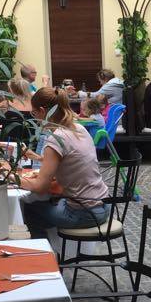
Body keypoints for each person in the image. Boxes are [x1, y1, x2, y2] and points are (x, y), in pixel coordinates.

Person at [18, 87, 110, 237]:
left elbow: (40, 187)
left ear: (42, 111)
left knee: (29, 210)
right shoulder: (79, 128)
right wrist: (38, 158)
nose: (34, 118)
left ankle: (45, 251)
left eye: (34, 113)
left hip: (84, 213)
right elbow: (71, 163)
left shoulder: (56, 139)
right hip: (104, 205)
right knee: (53, 201)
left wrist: (11, 178)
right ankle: (57, 247)